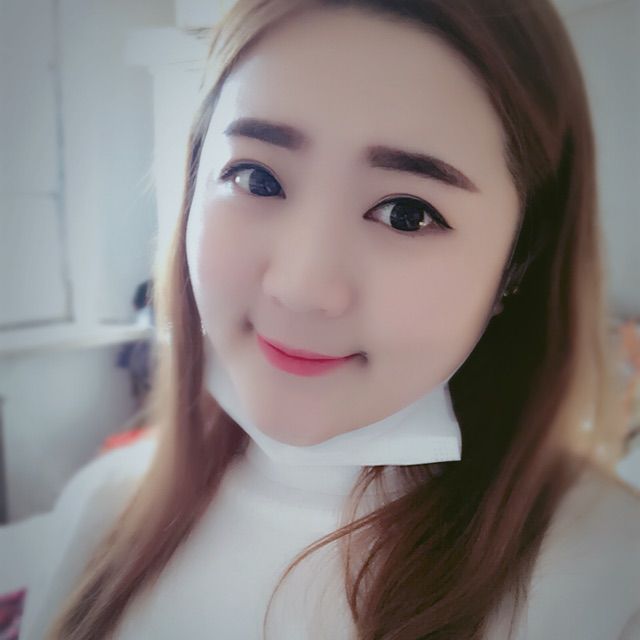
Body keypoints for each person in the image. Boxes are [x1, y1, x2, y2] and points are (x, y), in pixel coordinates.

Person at [18, 0, 640, 638]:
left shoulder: (611, 585)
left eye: (406, 214)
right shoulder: (102, 507)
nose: (300, 290)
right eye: (257, 178)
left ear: (518, 262)